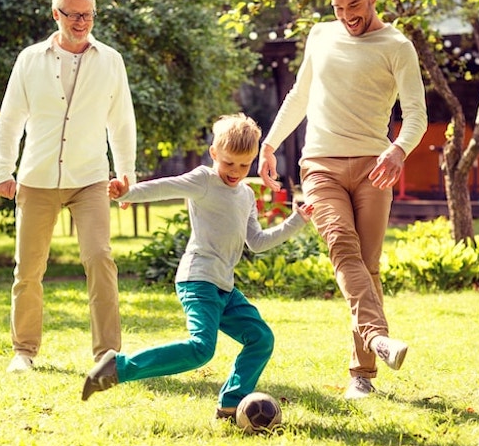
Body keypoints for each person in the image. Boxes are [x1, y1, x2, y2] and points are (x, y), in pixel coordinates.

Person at [258, 0, 428, 399]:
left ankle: (362, 375)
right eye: (337, 7)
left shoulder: (397, 47)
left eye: (354, 5)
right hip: (320, 165)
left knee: (367, 268)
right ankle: (377, 340)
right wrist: (271, 143)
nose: (347, 15)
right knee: (343, 249)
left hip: (374, 167)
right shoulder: (321, 35)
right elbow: (300, 95)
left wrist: (397, 149)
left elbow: (417, 116)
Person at [81, 113, 313, 420]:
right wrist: (127, 193)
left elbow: (256, 242)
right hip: (198, 280)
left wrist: (297, 220)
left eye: (244, 165)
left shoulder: (246, 195)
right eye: (229, 163)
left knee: (261, 338)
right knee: (201, 348)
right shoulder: (204, 180)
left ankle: (231, 402)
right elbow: (166, 187)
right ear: (214, 153)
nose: (236, 172)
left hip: (224, 288)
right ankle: (117, 368)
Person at [0, 0, 137, 372]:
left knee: (100, 258)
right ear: (56, 14)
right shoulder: (30, 59)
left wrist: (126, 174)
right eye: (73, 15)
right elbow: (10, 120)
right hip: (36, 178)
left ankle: (107, 354)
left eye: (88, 14)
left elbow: (121, 122)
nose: (81, 22)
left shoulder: (111, 60)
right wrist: (3, 170)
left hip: (89, 177)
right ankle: (24, 352)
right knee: (28, 269)